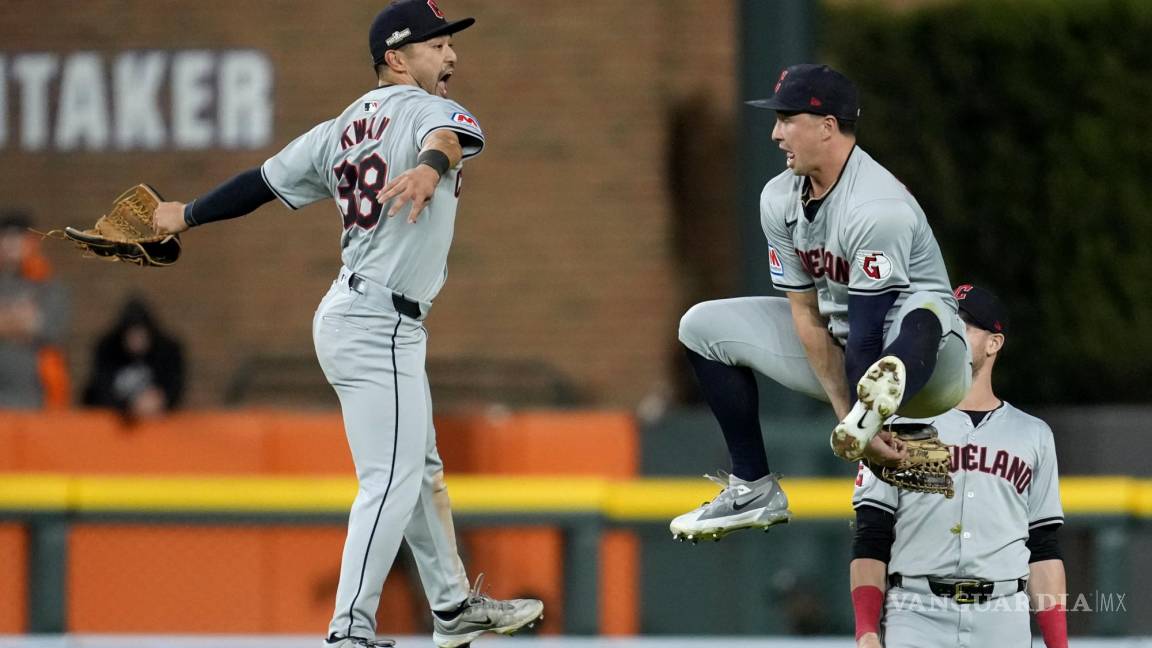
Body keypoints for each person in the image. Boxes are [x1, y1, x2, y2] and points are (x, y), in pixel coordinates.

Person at [152, 2, 543, 646]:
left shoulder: (339, 127)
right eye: (437, 44)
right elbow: (446, 139)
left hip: (366, 315)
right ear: (397, 56)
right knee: (389, 480)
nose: (451, 56)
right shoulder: (420, 109)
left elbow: (260, 182)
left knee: (420, 469)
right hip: (376, 320)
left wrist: (183, 214)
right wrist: (430, 165)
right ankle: (349, 631)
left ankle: (450, 606)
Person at [672, 64, 971, 542]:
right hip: (844, 348)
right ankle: (752, 486)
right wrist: (850, 424)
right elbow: (806, 316)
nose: (775, 133)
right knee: (701, 326)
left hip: (933, 362)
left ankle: (879, 406)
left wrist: (864, 422)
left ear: (827, 126)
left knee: (924, 308)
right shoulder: (778, 197)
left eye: (787, 119)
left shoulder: (877, 206)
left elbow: (870, 328)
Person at [850, 284, 1068, 648]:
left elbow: (1043, 547)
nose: (949, 333)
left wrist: (1058, 644)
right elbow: (872, 533)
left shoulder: (1034, 434)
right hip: (915, 610)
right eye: (944, 322)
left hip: (1003, 614)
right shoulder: (896, 423)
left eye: (964, 324)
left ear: (994, 343)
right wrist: (866, 630)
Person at [0, 210, 70, 409]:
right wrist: (22, 319)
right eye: (6, 237)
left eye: (18, 238)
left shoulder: (48, 286)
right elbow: (30, 323)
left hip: (36, 396)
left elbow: (51, 330)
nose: (12, 244)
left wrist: (7, 320)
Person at [82, 296, 185, 420]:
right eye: (131, 335)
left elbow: (174, 384)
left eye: (140, 335)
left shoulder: (167, 351)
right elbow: (100, 388)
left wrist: (162, 399)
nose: (136, 341)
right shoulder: (108, 350)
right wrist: (129, 405)